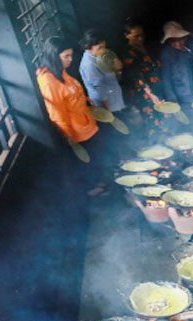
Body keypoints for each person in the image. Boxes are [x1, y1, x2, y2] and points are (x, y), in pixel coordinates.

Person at [36, 37, 112, 194]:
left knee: (95, 157)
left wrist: (87, 102)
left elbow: (73, 94)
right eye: (66, 57)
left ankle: (99, 184)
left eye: (70, 55)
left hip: (86, 123)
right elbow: (57, 112)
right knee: (85, 161)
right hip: (76, 131)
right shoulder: (48, 81)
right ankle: (93, 190)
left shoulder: (60, 72)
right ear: (54, 56)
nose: (70, 60)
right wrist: (68, 135)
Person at [119, 21, 167, 137]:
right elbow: (136, 75)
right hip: (144, 93)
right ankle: (156, 145)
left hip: (157, 88)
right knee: (151, 119)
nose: (140, 39)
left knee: (164, 115)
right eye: (136, 36)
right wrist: (150, 93)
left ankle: (167, 140)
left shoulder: (147, 48)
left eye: (142, 35)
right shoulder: (127, 53)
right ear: (127, 35)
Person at [78, 29, 125, 115]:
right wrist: (108, 112)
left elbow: (114, 78)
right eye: (100, 48)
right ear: (87, 47)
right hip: (107, 107)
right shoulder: (89, 65)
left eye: (104, 47)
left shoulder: (102, 57)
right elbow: (100, 89)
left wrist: (118, 70)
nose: (103, 50)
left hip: (116, 101)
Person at [159, 22, 193, 108]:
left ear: (185, 37)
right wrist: (172, 99)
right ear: (168, 40)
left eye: (181, 39)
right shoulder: (167, 54)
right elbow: (166, 78)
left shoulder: (190, 48)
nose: (178, 43)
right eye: (173, 41)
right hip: (181, 95)